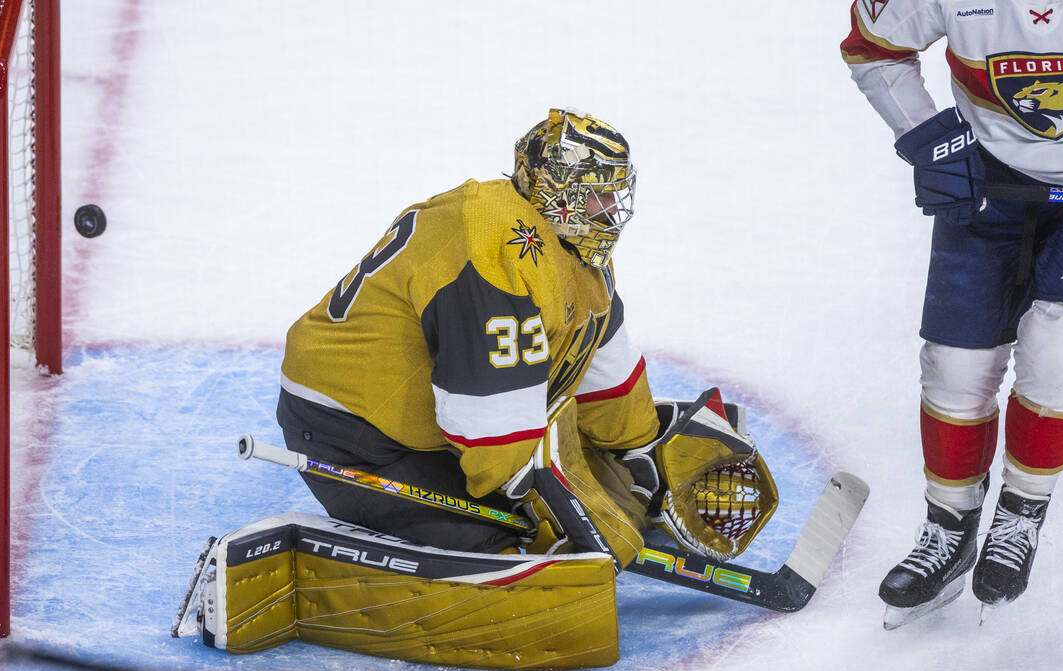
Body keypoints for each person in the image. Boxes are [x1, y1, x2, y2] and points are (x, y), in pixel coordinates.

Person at [275, 108, 771, 569]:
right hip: (351, 429)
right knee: (505, 544)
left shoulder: (574, 242)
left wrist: (643, 448)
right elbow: (491, 425)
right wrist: (543, 504)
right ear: (553, 188)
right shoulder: (493, 250)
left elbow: (599, 365)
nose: (610, 209)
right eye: (595, 193)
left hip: (437, 413)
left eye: (616, 192)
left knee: (575, 486)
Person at [841, 1, 1063, 627]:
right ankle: (949, 526)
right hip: (989, 176)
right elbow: (873, 48)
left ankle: (1021, 512)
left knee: (1060, 343)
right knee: (955, 367)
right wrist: (929, 139)